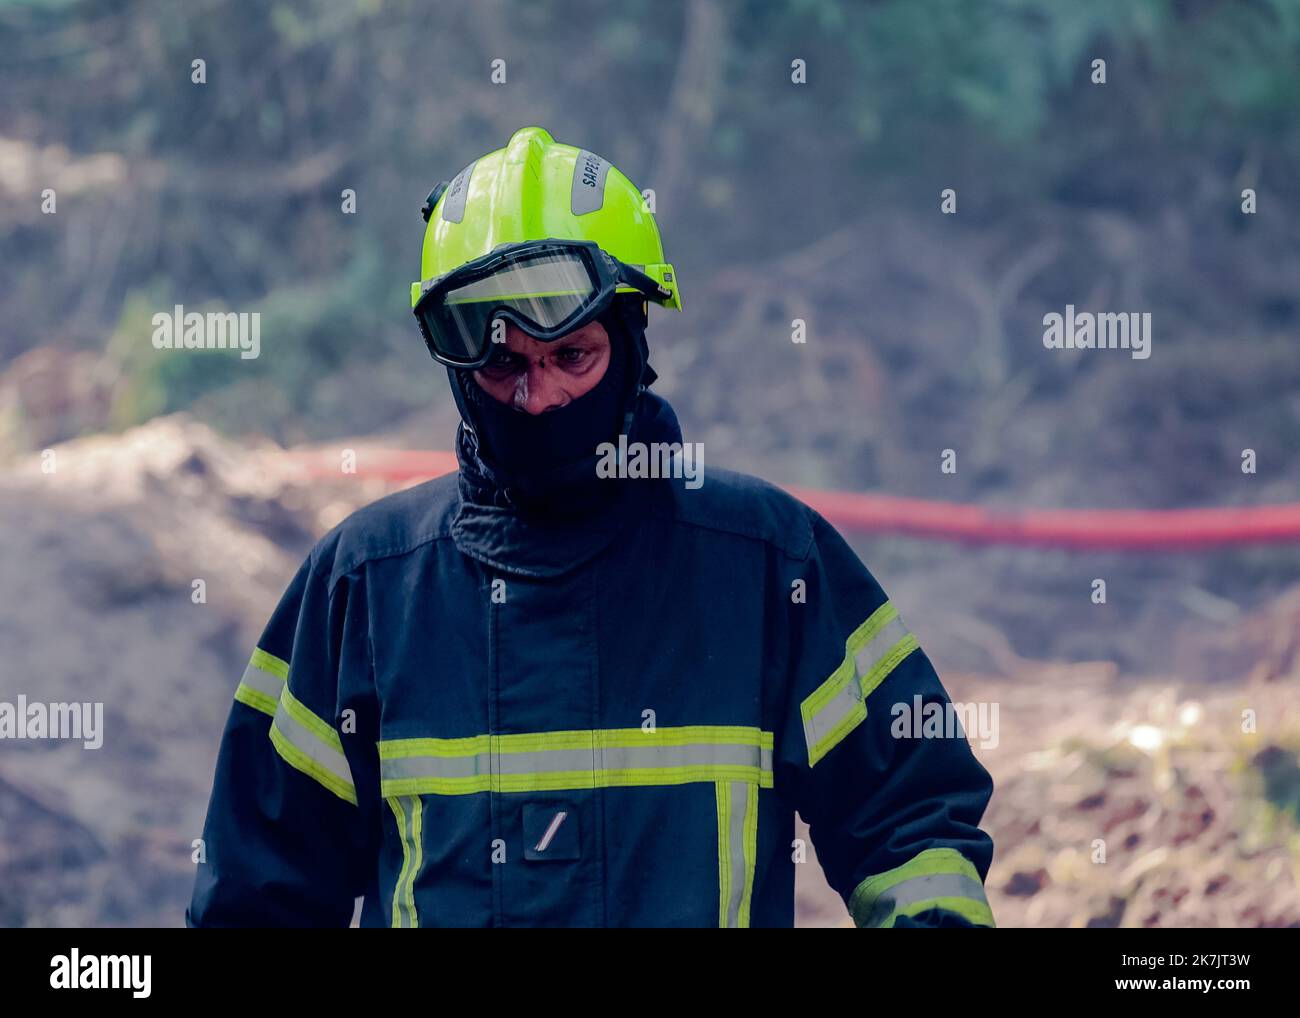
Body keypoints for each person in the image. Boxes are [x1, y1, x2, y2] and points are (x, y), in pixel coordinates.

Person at [187, 125, 996, 928]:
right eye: (503, 364)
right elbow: (260, 897)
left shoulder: (767, 565)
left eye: (572, 356)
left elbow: (912, 823)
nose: (538, 399)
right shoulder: (364, 587)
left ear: (634, 338)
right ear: (458, 370)